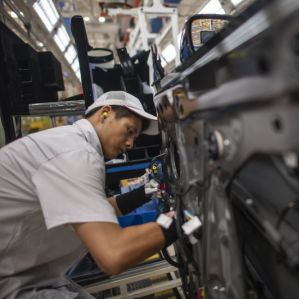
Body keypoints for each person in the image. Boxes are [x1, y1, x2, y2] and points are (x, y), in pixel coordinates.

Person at [0, 91, 177, 298]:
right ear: (105, 113)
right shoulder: (75, 153)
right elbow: (114, 255)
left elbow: (98, 209)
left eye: (135, 137)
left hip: (28, 274)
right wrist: (185, 220)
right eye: (129, 131)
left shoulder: (68, 143)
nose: (130, 144)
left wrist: (148, 191)